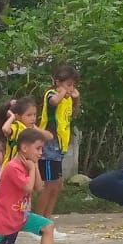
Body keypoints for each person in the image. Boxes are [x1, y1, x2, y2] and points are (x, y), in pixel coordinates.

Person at [0, 97, 38, 244]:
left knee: (18, 210)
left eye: (34, 115)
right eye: (29, 115)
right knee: (17, 210)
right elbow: (5, 129)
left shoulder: (28, 131)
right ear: (18, 116)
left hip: (20, 175)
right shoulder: (17, 128)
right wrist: (11, 117)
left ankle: (5, 243)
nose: (33, 118)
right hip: (11, 176)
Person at [36, 65, 80, 218]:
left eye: (73, 85)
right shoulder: (51, 94)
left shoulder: (67, 100)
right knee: (49, 186)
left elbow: (74, 114)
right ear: (58, 83)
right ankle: (39, 223)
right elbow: (54, 102)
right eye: (68, 84)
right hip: (49, 145)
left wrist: (76, 99)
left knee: (57, 186)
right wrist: (62, 92)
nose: (71, 89)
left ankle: (47, 221)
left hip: (60, 145)